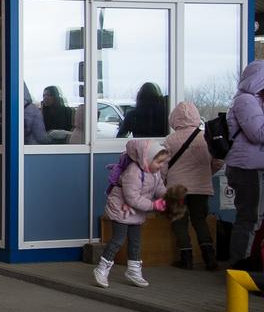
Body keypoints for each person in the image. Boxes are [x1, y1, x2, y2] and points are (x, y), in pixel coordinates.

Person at [93, 140, 168, 288]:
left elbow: (159, 188)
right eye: (158, 162)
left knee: (135, 242)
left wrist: (168, 196)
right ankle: (101, 268)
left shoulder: (155, 173)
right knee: (118, 240)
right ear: (147, 158)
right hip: (122, 210)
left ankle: (134, 270)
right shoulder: (133, 172)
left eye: (162, 163)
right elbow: (132, 198)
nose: (161, 166)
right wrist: (153, 205)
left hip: (137, 212)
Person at [163, 101, 222, 270]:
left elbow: (163, 166)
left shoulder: (170, 140)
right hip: (201, 188)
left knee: (179, 221)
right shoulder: (206, 137)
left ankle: (186, 258)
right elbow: (218, 161)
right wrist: (206, 174)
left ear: (174, 118)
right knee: (200, 220)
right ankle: (209, 258)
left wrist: (161, 183)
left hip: (176, 188)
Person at [225, 60, 264, 268]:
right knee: (250, 217)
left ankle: (247, 261)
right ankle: (241, 266)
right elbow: (258, 133)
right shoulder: (246, 101)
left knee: (253, 217)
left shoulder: (254, 101)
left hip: (252, 166)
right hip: (248, 168)